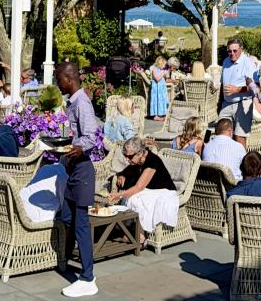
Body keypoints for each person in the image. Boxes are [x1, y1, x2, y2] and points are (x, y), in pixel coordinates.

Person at [56, 63, 101, 298]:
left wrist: (77, 148)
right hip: (73, 169)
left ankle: (87, 277)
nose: (56, 83)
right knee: (67, 217)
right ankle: (72, 260)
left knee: (81, 224)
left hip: (83, 171)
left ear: (68, 78)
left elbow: (92, 136)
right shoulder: (72, 101)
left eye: (58, 79)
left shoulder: (82, 102)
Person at [105, 137, 180, 245]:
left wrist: (118, 195)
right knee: (132, 198)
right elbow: (128, 170)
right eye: (126, 156)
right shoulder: (137, 160)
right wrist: (122, 174)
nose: (127, 159)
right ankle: (130, 231)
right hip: (149, 190)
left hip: (163, 191)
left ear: (140, 153)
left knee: (135, 199)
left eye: (130, 156)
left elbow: (139, 187)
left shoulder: (152, 161)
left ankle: (141, 237)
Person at [219, 39, 259, 145]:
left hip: (242, 103)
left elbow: (255, 87)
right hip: (226, 103)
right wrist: (219, 102)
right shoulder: (226, 61)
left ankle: (241, 160)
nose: (232, 53)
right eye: (229, 51)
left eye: (235, 51)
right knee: (221, 134)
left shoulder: (248, 63)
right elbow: (222, 84)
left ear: (241, 49)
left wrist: (237, 90)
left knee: (239, 137)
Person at [146, 56, 170, 121]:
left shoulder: (161, 70)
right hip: (156, 90)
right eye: (164, 64)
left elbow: (164, 78)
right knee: (156, 101)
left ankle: (161, 113)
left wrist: (166, 73)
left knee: (161, 101)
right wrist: (163, 73)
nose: (165, 66)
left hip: (161, 90)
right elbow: (157, 78)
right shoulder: (154, 69)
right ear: (160, 63)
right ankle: (156, 116)